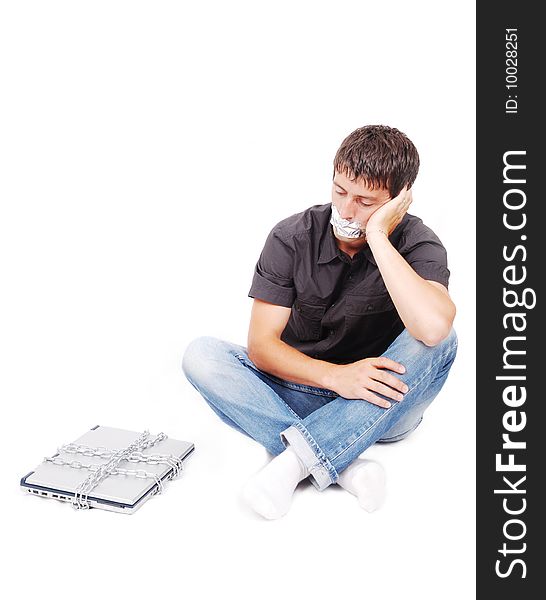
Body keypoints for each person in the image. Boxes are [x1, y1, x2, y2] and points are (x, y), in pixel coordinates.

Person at [182, 125, 458, 520]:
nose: (346, 211)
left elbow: (432, 329)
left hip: (384, 406)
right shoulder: (291, 237)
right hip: (304, 388)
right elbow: (262, 346)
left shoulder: (420, 243)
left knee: (440, 337)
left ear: (399, 199)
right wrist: (335, 377)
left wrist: (378, 235)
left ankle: (294, 463)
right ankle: (345, 463)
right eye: (340, 191)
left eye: (365, 201)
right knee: (202, 354)